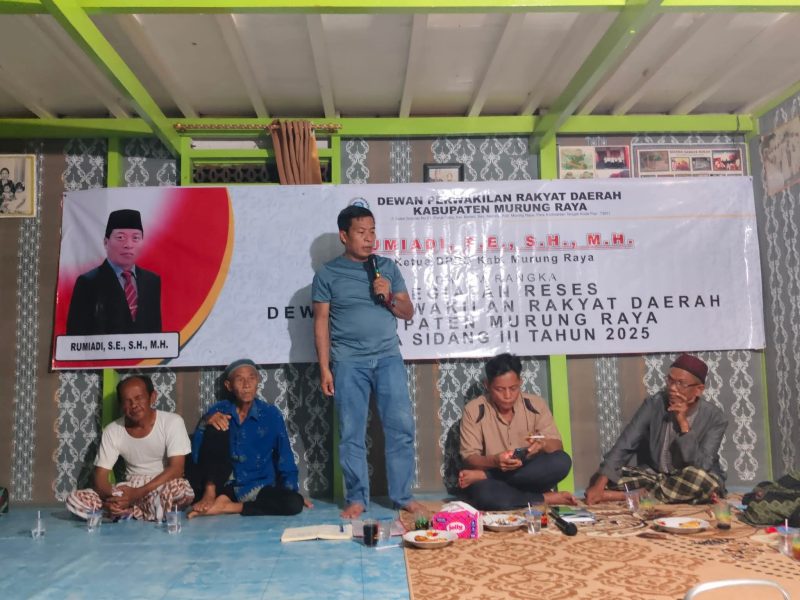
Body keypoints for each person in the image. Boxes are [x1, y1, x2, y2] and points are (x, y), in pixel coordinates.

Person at [312, 205, 425, 519]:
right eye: (361, 232)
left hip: (388, 358)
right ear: (344, 235)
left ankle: (402, 496)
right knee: (351, 432)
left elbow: (408, 312)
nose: (368, 238)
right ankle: (356, 498)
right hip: (349, 363)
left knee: (401, 428)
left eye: (372, 231)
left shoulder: (386, 267)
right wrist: (325, 368)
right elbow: (320, 323)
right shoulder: (327, 274)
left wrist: (388, 296)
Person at [584, 353, 728, 505]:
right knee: (608, 476)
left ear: (699, 389)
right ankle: (662, 494)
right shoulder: (654, 404)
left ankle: (627, 496)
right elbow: (626, 443)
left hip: (690, 476)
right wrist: (599, 485)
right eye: (670, 380)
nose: (672, 388)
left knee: (700, 480)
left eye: (681, 383)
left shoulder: (716, 418)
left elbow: (702, 465)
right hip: (655, 476)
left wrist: (683, 424)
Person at [187, 358, 310, 518]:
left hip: (258, 487)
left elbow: (285, 456)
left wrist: (290, 492)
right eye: (240, 380)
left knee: (293, 503)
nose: (246, 385)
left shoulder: (271, 414)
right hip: (222, 485)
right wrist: (205, 423)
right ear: (229, 386)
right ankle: (211, 494)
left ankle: (228, 507)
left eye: (251, 378)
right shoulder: (219, 409)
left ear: (257, 381)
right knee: (215, 424)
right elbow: (197, 455)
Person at [65, 375, 194, 521]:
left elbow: (176, 469)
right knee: (75, 498)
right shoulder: (113, 430)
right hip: (129, 487)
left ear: (152, 397)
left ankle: (130, 511)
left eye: (139, 398)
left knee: (179, 490)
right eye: (127, 401)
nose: (134, 405)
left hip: (161, 485)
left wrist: (137, 494)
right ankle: (126, 509)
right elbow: (100, 476)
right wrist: (112, 499)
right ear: (121, 405)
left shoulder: (172, 422)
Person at [458, 353, 577, 510]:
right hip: (494, 485)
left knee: (562, 461)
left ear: (520, 382)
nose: (507, 396)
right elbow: (469, 459)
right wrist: (494, 461)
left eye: (513, 388)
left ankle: (489, 478)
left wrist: (543, 444)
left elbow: (557, 447)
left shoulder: (536, 404)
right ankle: (544, 498)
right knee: (485, 496)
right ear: (487, 385)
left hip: (528, 476)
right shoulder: (474, 410)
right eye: (500, 389)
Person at [66, 208, 162, 335]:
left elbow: (155, 331)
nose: (128, 245)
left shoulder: (151, 281)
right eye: (120, 237)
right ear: (106, 242)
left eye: (135, 238)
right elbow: (75, 336)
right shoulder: (88, 282)